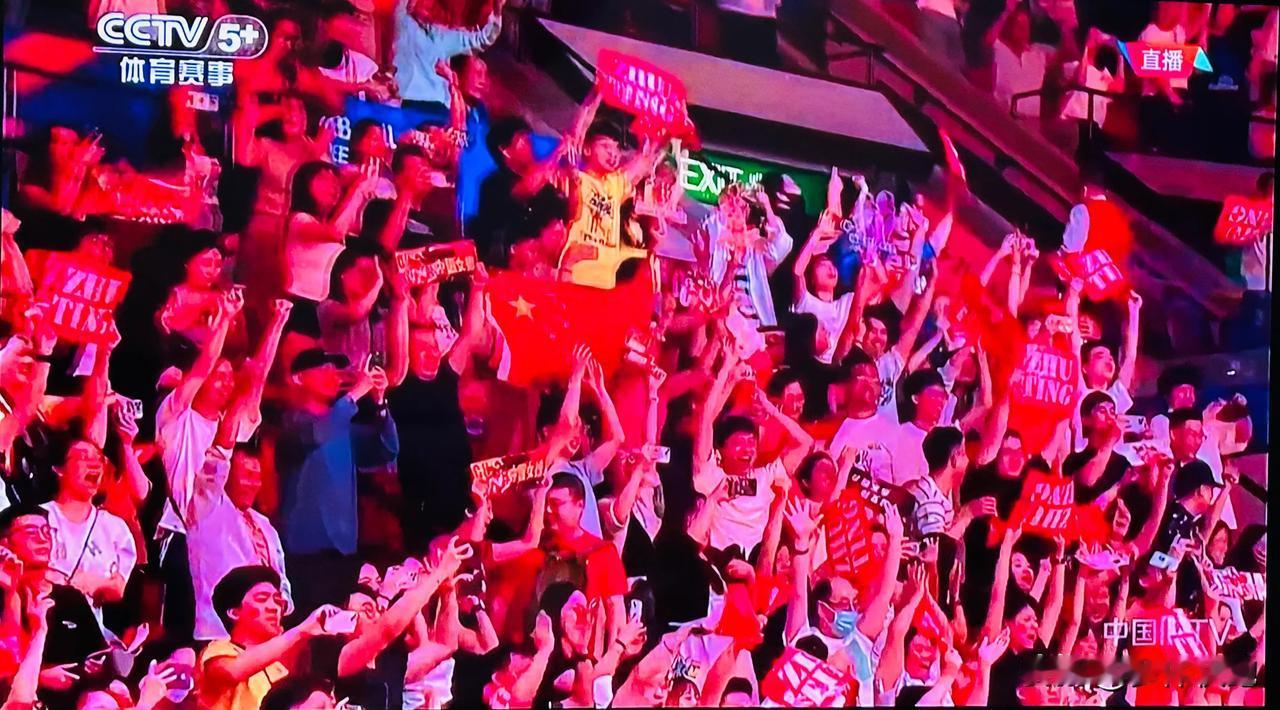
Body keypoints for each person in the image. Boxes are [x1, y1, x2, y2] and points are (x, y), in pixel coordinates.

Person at [275, 348, 398, 615]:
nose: (334, 376)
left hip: (344, 553)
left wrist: (380, 403)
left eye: (335, 370)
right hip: (306, 554)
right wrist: (355, 394)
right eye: (324, 369)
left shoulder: (343, 428)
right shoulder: (292, 423)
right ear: (298, 378)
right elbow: (318, 433)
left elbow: (386, 450)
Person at [199, 565, 343, 710]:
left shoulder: (278, 670)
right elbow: (232, 672)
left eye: (278, 601)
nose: (274, 608)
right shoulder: (218, 650)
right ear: (234, 612)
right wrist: (301, 630)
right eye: (262, 599)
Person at [393, 0, 504, 110]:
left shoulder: (443, 37)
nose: (429, 4)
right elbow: (401, 6)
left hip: (440, 108)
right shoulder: (404, 24)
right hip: (410, 103)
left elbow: (482, 39)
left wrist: (497, 10)